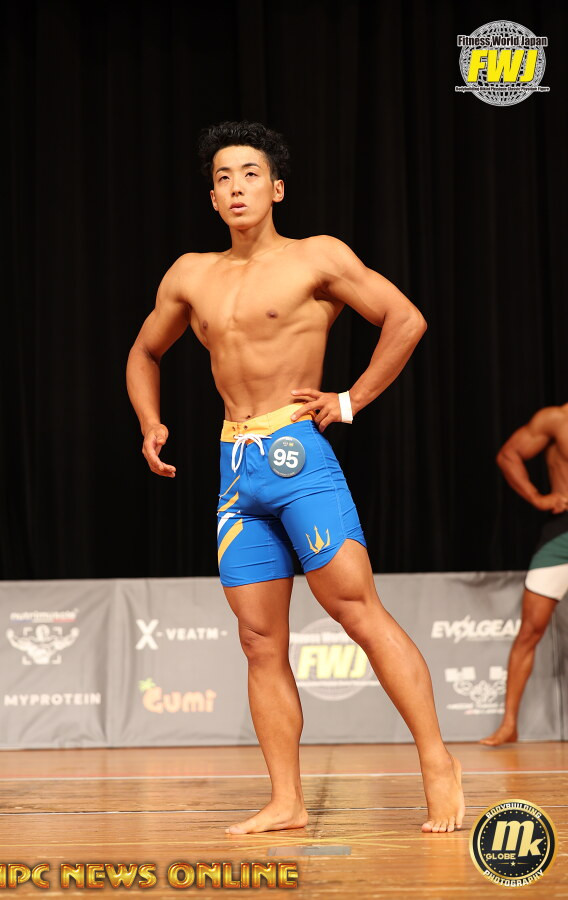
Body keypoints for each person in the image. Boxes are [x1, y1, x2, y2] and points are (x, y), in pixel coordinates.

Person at [126, 121, 464, 834]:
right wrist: (150, 421)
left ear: (277, 188)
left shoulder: (317, 257)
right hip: (235, 466)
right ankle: (287, 799)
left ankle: (438, 761)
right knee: (258, 641)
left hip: (297, 455)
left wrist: (351, 399)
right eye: (222, 177)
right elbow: (143, 352)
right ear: (212, 197)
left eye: (250, 174)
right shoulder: (190, 274)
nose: (236, 187)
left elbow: (405, 319)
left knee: (357, 611)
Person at [481, 405, 568, 746]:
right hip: (561, 536)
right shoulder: (557, 420)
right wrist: (537, 497)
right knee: (530, 631)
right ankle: (509, 725)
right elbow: (509, 454)